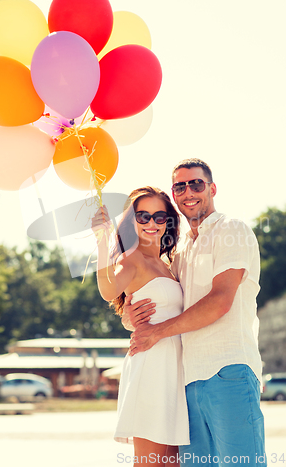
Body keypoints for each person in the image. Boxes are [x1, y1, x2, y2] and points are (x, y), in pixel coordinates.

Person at [125, 159, 266, 467]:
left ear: (211, 189)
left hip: (228, 369)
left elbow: (220, 301)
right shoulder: (181, 251)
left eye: (196, 184)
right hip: (188, 381)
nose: (188, 191)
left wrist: (156, 333)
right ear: (175, 196)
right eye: (180, 186)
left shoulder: (232, 230)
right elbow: (153, 297)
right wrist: (129, 318)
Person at [91, 186, 190, 467]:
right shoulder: (131, 258)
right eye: (143, 216)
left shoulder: (167, 263)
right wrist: (101, 242)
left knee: (172, 464)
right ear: (132, 221)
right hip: (152, 368)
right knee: (151, 463)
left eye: (159, 217)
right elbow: (109, 290)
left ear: (168, 221)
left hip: (176, 369)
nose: (151, 223)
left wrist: (127, 318)